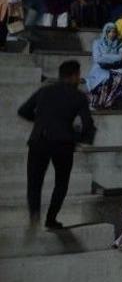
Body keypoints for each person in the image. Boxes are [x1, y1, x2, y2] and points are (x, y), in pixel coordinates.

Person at [17, 60, 95, 229]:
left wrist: (39, 121)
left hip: (39, 139)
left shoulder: (44, 91)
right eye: (78, 75)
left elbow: (23, 110)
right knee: (61, 182)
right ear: (74, 75)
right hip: (63, 142)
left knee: (34, 182)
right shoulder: (78, 96)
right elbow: (87, 124)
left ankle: (34, 216)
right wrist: (80, 138)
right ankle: (51, 219)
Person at [86, 22, 122, 109]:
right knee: (105, 78)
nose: (112, 34)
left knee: (120, 79)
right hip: (99, 69)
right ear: (105, 32)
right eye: (110, 32)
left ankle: (108, 102)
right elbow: (97, 59)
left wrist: (105, 56)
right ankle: (99, 102)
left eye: (114, 32)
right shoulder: (97, 43)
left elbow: (120, 58)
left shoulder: (119, 44)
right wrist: (113, 58)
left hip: (115, 69)